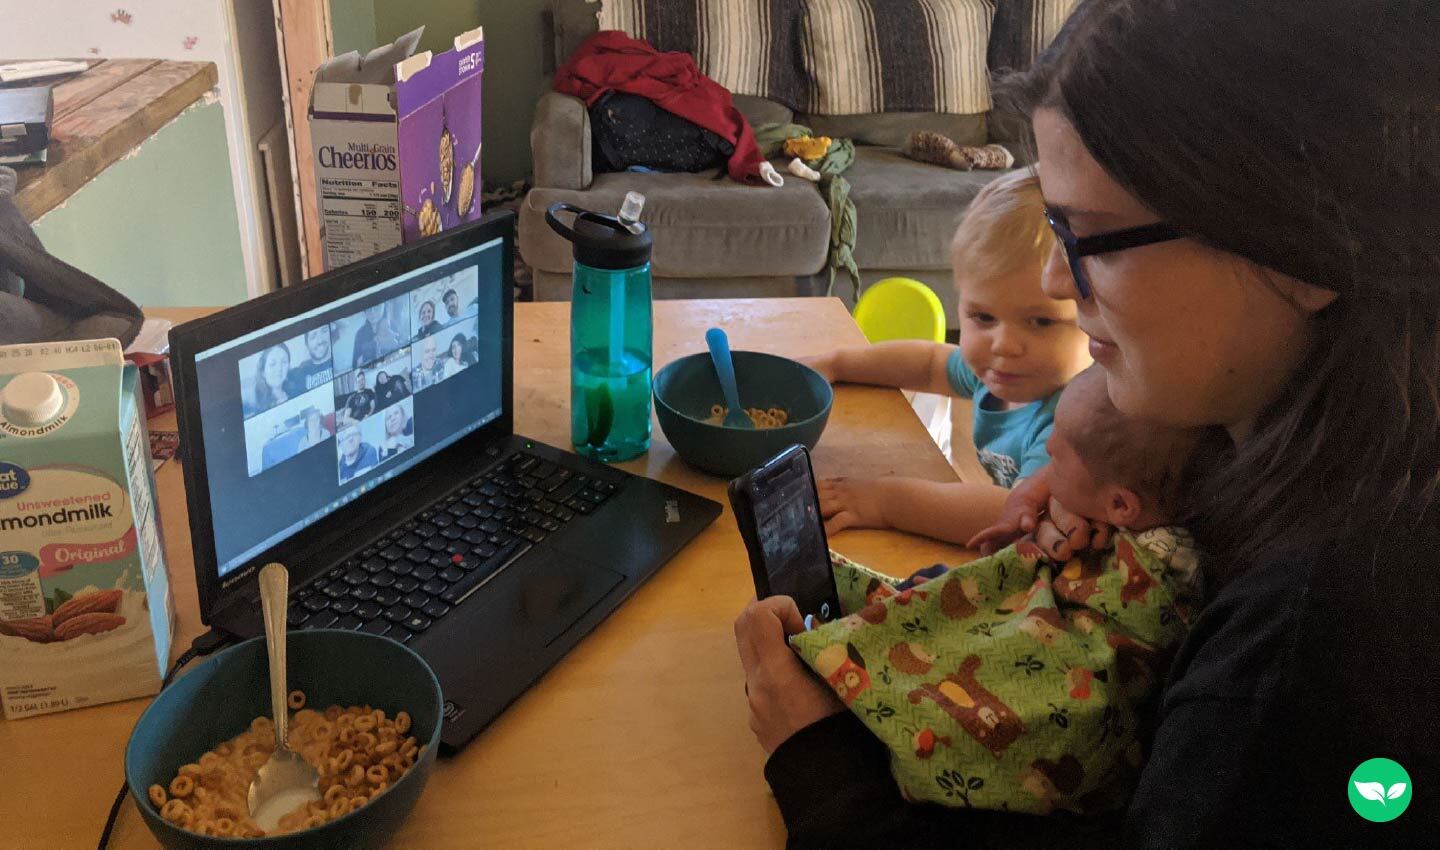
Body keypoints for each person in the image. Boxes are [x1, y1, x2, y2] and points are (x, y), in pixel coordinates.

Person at [736, 1, 1439, 846]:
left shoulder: (1308, 657)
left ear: (1310, 243)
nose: (1056, 281)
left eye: (1086, 235)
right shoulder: (1276, 459)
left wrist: (821, 767)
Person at [791, 367, 1205, 816]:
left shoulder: (1161, 574)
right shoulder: (1134, 507)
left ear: (1121, 504)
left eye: (1058, 457)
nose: (1046, 451)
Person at [805, 170, 1091, 546]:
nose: (1003, 345)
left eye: (1040, 321)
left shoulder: (1073, 422)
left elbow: (1012, 513)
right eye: (983, 317)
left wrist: (884, 501)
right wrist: (838, 363)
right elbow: (928, 364)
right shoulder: (999, 373)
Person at [283, 327, 334, 397]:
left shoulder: (339, 357)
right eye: (313, 337)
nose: (320, 341)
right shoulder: (299, 372)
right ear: (307, 345)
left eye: (324, 331)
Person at [352, 304, 402, 369]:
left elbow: (401, 352)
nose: (372, 311)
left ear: (384, 305)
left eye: (376, 306)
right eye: (368, 308)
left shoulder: (393, 327)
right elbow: (355, 365)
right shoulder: (360, 334)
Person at [247, 344, 290, 417]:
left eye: (284, 362)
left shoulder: (295, 389)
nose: (279, 369)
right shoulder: (258, 408)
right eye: (273, 364)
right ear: (263, 371)